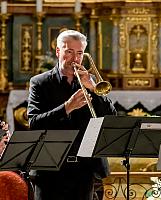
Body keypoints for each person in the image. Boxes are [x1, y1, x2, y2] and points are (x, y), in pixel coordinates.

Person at [27, 30, 117, 200]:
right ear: (58, 52)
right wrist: (67, 107)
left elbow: (110, 118)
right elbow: (34, 123)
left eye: (80, 53)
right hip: (50, 167)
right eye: (69, 51)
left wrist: (92, 88)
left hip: (86, 167)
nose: (75, 59)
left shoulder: (90, 81)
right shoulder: (39, 82)